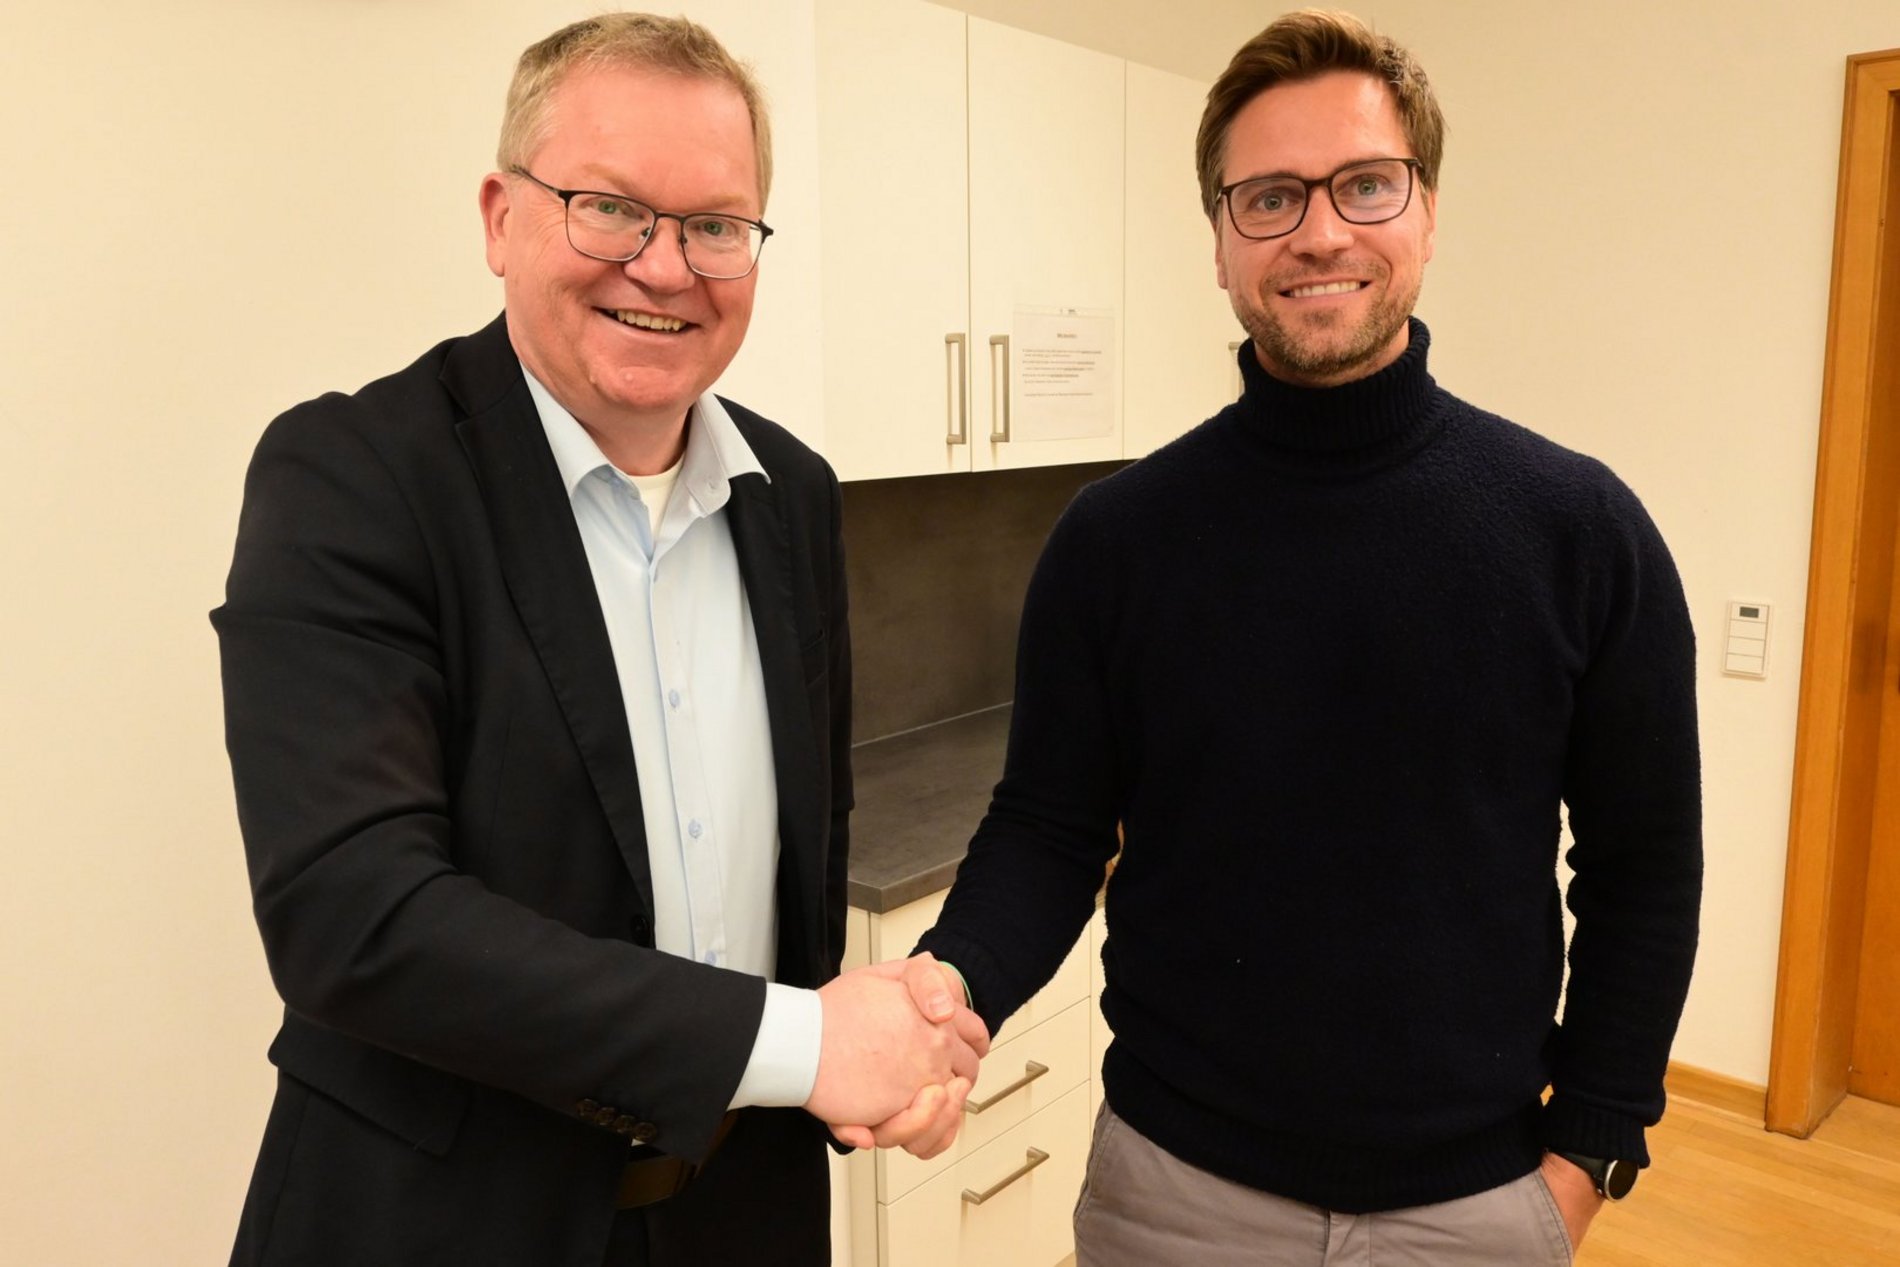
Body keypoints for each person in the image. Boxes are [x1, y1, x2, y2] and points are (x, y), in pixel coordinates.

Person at [914, 9, 1702, 1264]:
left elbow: (1643, 871)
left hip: (1479, 1202)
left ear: (1427, 213)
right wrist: (945, 989)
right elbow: (1051, 830)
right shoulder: (1115, 541)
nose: (1320, 231)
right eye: (1269, 195)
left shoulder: (1579, 531)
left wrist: (1590, 1153)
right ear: (1221, 242)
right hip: (1172, 1194)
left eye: (1365, 185)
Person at [213, 13, 980, 1266]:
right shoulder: (355, 475)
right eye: (608, 206)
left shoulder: (793, 494)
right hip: (448, 1223)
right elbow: (354, 917)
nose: (666, 267)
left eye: (715, 225)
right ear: (500, 217)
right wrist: (813, 1045)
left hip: (746, 1210)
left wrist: (878, 1062)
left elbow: (796, 882)